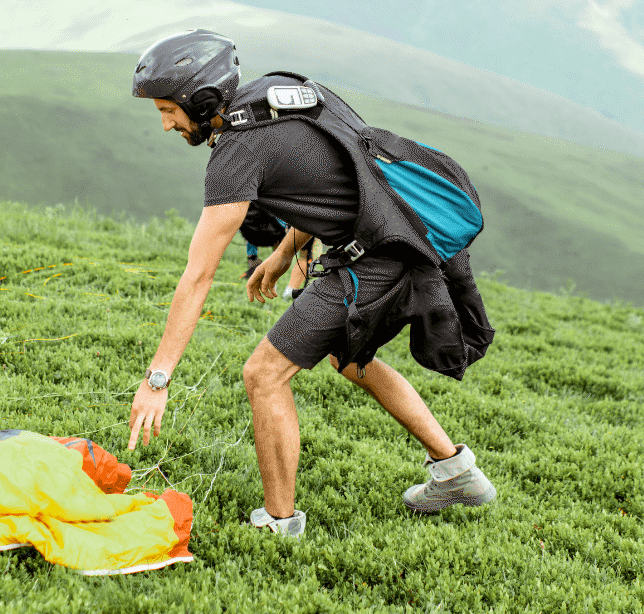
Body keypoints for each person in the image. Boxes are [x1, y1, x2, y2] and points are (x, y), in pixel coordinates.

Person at [125, 29, 496, 539]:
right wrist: (280, 256)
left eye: (168, 109)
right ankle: (456, 473)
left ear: (202, 99)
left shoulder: (236, 150)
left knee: (263, 374)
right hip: (396, 239)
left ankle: (280, 524)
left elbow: (198, 275)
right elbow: (335, 179)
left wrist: (157, 380)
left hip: (374, 258)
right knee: (347, 359)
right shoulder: (281, 93)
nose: (166, 124)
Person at [239, 202, 315, 299]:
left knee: (280, 251)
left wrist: (252, 255)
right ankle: (288, 292)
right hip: (301, 218)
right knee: (304, 255)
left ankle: (274, 287)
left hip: (267, 226)